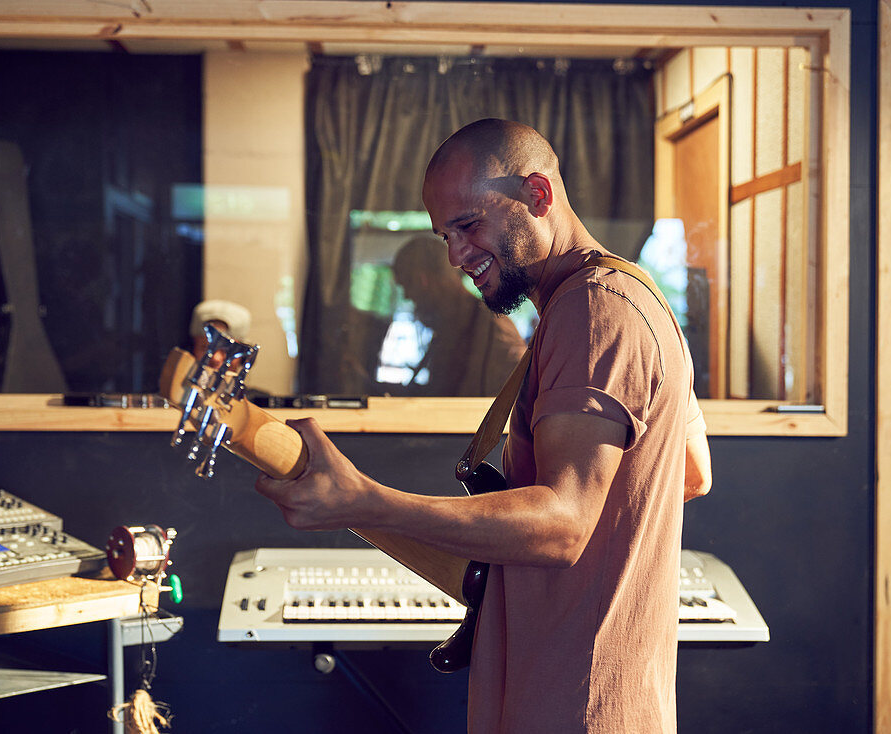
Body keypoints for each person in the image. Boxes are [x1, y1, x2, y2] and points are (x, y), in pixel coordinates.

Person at [254, 118, 712, 733]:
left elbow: (564, 524)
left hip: (570, 708)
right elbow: (691, 472)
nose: (456, 257)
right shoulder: (636, 295)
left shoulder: (592, 309)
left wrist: (368, 501)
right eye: (444, 236)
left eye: (468, 225)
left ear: (539, 196)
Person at [390, 234, 527, 396]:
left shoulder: (490, 327)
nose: (407, 296)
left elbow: (515, 401)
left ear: (423, 280)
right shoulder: (453, 326)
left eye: (407, 285)